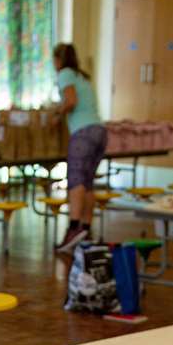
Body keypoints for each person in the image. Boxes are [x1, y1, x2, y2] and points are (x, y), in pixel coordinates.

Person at [50, 43, 105, 254]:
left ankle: (73, 229)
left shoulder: (65, 74)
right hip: (99, 131)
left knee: (75, 180)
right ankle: (86, 228)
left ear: (58, 60)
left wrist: (57, 114)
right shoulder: (82, 76)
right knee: (88, 183)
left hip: (83, 132)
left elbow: (70, 101)